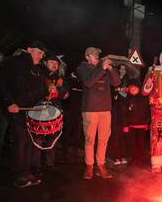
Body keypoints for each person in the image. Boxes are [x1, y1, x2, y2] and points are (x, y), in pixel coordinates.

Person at [0, 41, 50, 188]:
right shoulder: (13, 62)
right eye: (39, 52)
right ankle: (19, 174)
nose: (42, 56)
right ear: (29, 50)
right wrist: (9, 102)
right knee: (20, 140)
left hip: (32, 111)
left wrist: (45, 97)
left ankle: (26, 172)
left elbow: (41, 89)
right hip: (17, 108)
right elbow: (0, 83)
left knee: (29, 141)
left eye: (43, 54)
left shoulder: (38, 69)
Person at [77, 47, 120, 180]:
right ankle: (89, 166)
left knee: (103, 139)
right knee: (90, 139)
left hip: (105, 109)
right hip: (90, 109)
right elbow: (89, 82)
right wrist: (102, 68)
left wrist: (111, 68)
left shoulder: (104, 68)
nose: (96, 56)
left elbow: (117, 82)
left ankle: (101, 165)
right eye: (93, 54)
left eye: (97, 54)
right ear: (87, 57)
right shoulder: (83, 68)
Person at [31, 53, 69, 174]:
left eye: (56, 63)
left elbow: (66, 93)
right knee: (38, 138)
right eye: (52, 62)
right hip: (40, 111)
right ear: (45, 63)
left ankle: (49, 163)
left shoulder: (60, 78)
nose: (54, 65)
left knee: (52, 138)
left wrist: (58, 90)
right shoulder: (38, 75)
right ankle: (36, 165)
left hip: (55, 111)